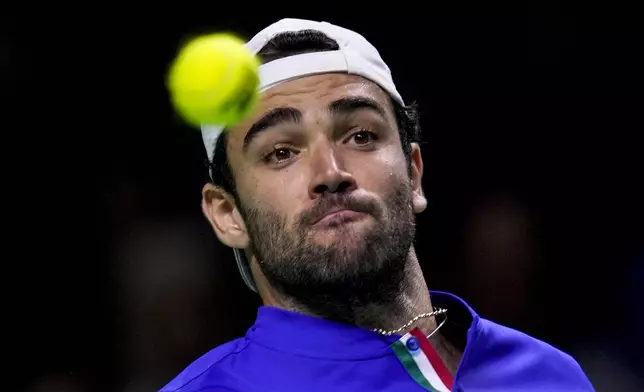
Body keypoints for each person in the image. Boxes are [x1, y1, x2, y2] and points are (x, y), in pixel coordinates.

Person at [160, 18, 594, 392]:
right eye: (281, 153)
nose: (330, 171)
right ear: (227, 214)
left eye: (360, 136)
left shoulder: (549, 374)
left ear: (414, 173)